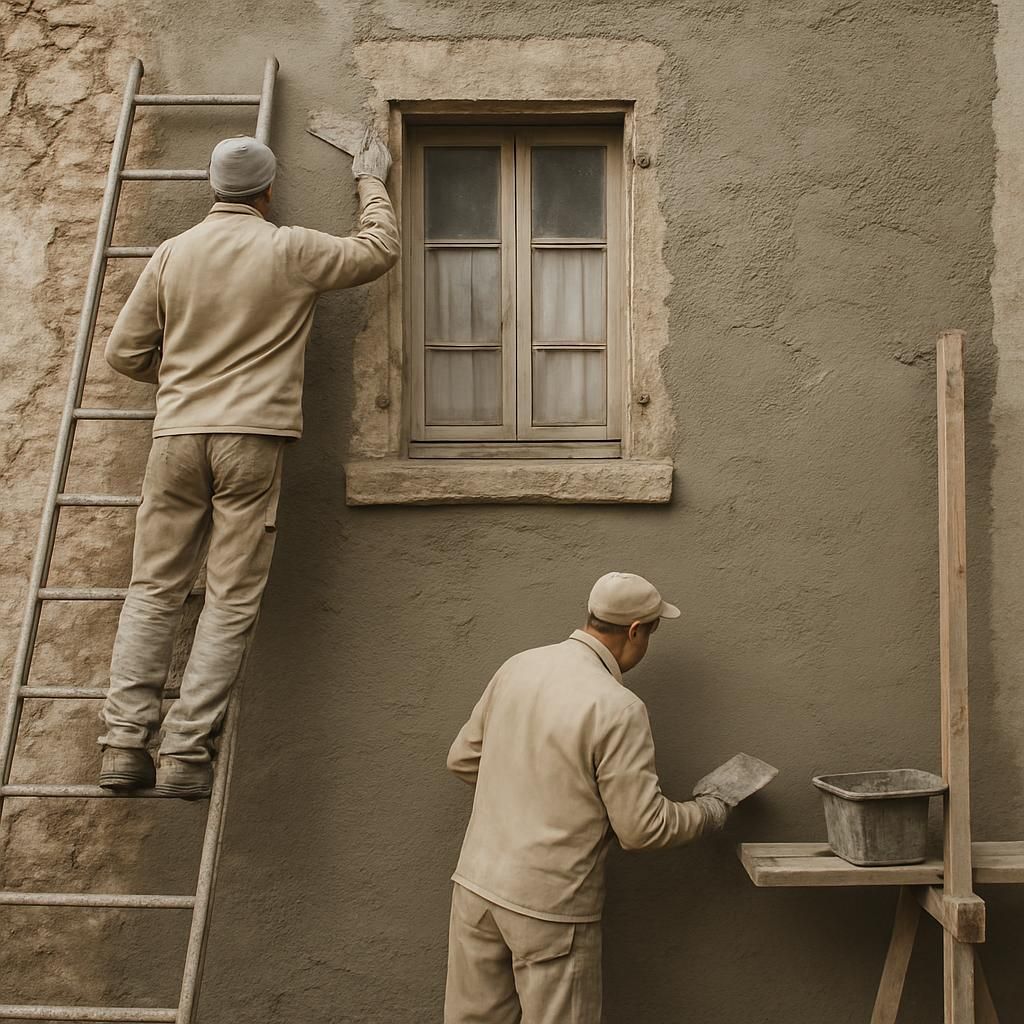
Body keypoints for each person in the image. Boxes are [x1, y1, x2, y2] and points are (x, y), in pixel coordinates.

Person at [98, 132, 399, 799]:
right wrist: (369, 177)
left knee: (153, 590)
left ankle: (123, 743)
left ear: (213, 186)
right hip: (252, 441)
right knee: (229, 600)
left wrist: (180, 381)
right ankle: (183, 753)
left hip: (176, 436)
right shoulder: (286, 246)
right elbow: (377, 251)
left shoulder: (173, 254)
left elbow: (123, 354)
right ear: (266, 192)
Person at [444, 571, 731, 1024]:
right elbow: (642, 829)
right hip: (551, 907)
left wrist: (532, 791)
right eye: (651, 632)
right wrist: (712, 811)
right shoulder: (618, 706)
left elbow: (462, 760)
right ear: (635, 631)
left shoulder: (518, 665)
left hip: (477, 887)